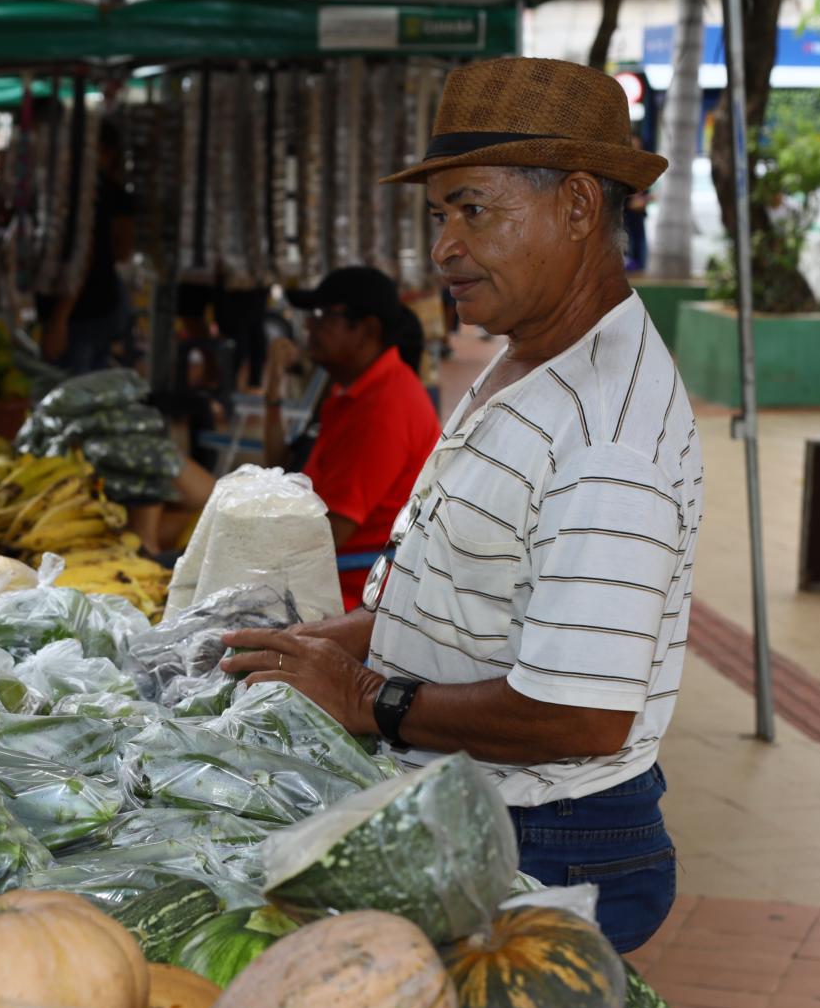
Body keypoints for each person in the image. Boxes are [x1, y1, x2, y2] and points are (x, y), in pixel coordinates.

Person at [224, 57, 699, 954]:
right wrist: (318, 647)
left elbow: (581, 715)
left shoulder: (608, 438)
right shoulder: (530, 356)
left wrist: (368, 697)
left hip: (544, 842)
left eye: (473, 210)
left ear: (578, 207)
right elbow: (458, 595)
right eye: (439, 215)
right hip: (477, 809)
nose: (442, 247)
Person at [261, 267, 441, 608]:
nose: (308, 327)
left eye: (322, 316)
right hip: (328, 578)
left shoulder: (383, 407)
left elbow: (327, 538)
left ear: (367, 329)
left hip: (349, 598)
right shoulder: (354, 390)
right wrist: (273, 391)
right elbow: (279, 469)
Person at [41, 119, 137, 374]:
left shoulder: (80, 194)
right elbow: (123, 251)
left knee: (73, 387)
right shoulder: (109, 193)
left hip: (83, 310)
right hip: (100, 303)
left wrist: (60, 318)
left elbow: (86, 254)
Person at [624, 133, 653, 273]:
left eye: (638, 147)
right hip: (625, 219)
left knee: (640, 254)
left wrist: (644, 200)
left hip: (638, 218)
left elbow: (646, 195)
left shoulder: (642, 171)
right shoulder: (621, 170)